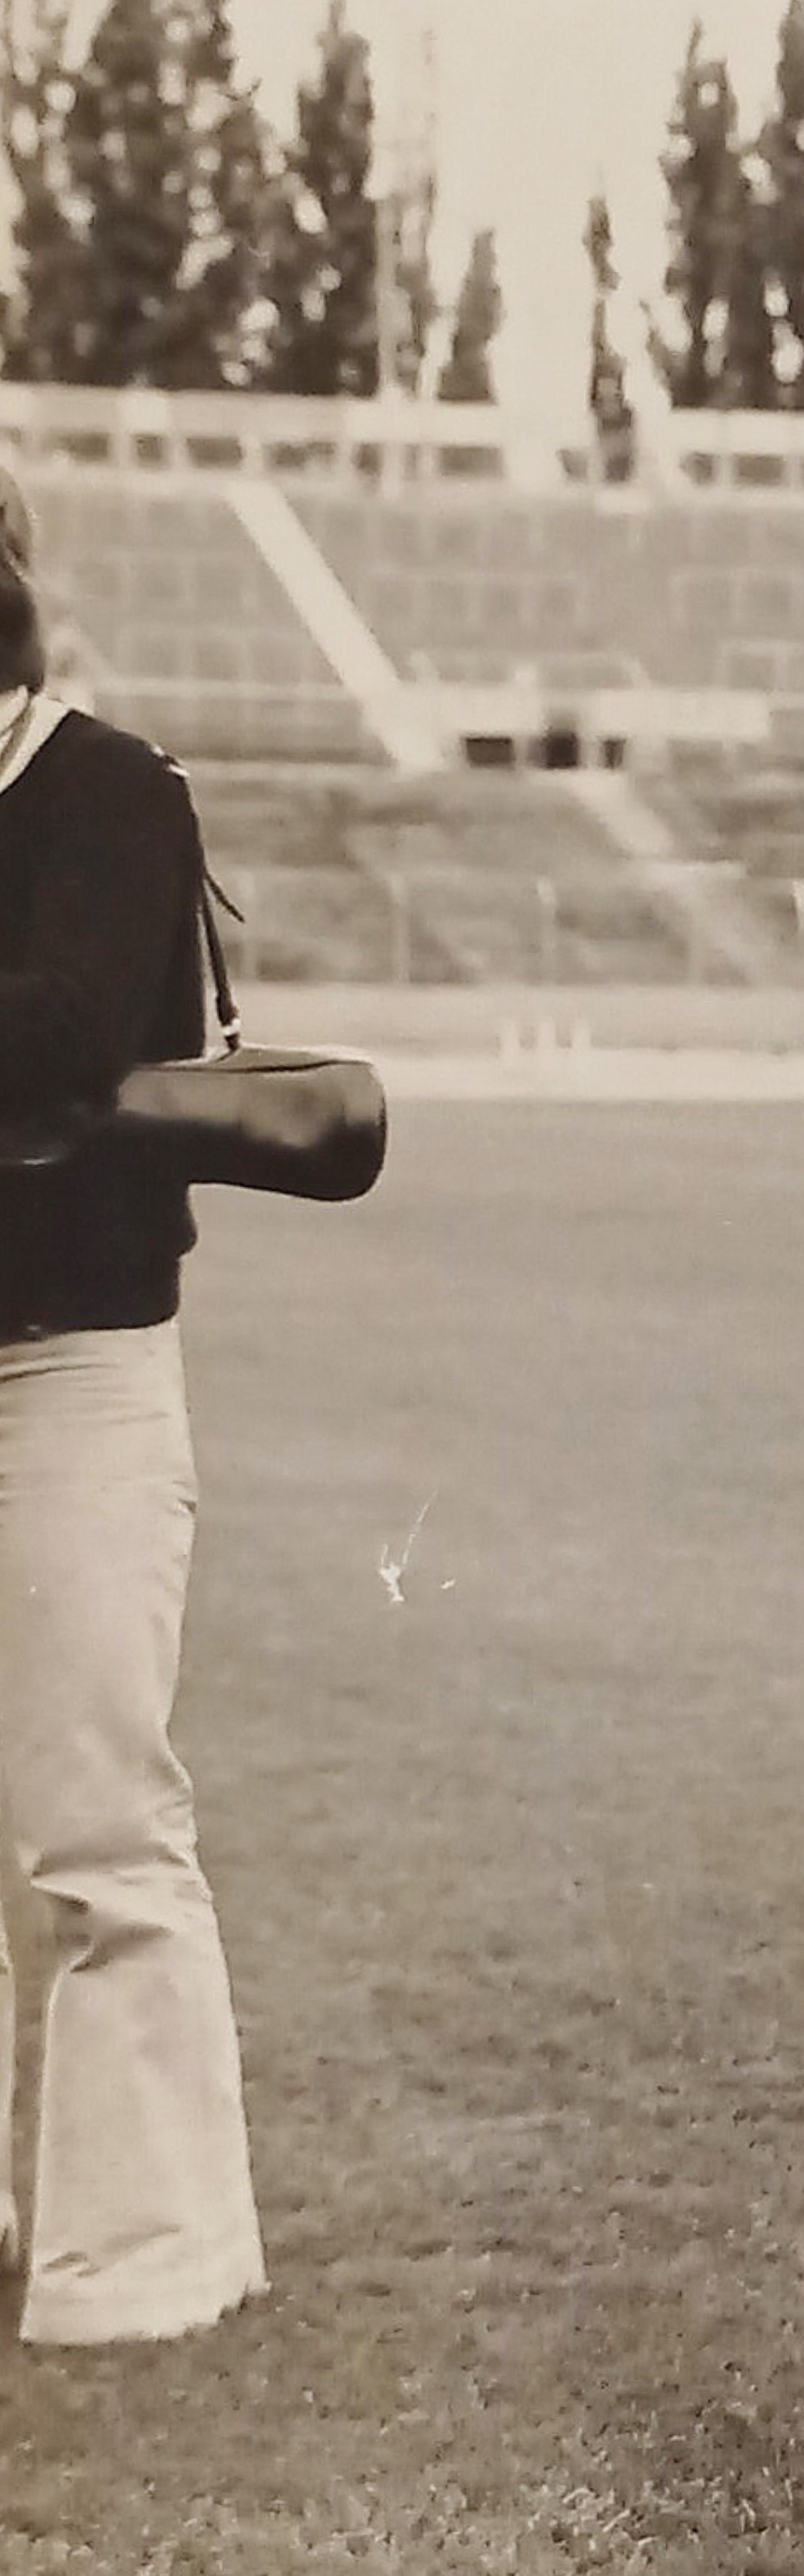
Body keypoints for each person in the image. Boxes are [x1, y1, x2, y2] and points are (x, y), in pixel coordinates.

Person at [0, 459, 266, 2348]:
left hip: (67, 1372)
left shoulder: (106, 787)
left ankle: (145, 2258)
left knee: (94, 1824)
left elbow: (62, 1026)